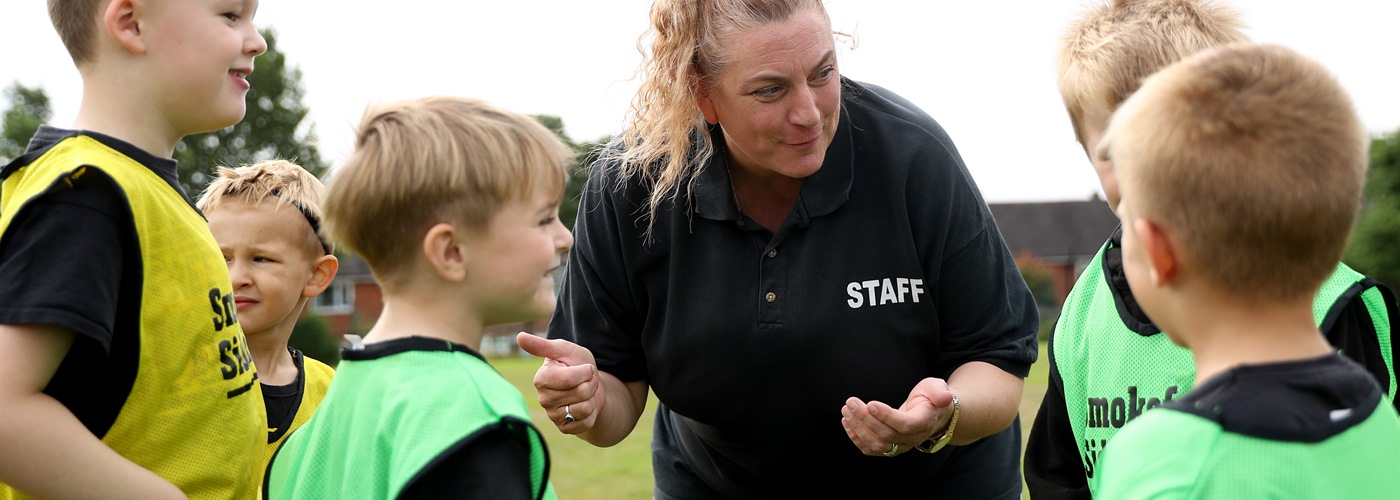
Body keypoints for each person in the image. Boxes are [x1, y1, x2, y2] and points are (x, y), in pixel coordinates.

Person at [515, 0, 1039, 496]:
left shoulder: (913, 157)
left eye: (823, 73)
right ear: (703, 95)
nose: (809, 113)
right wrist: (586, 402)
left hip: (933, 484)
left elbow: (997, 359)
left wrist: (944, 414)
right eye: (770, 90)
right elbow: (617, 391)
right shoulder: (631, 187)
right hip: (714, 485)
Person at [1023, 1, 1400, 498]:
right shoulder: (1079, 316)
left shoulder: (1341, 304)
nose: (1151, 175)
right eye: (1119, 150)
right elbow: (1058, 477)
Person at [0, 0, 268, 498]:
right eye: (232, 15)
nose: (257, 41)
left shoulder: (140, 192)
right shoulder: (89, 194)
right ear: (131, 24)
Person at [263, 96, 573, 499]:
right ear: (451, 252)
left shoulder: (315, 429)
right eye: (545, 218)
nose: (565, 238)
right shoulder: (469, 417)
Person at [196, 159, 340, 472]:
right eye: (221, 258)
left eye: (261, 258)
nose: (236, 277)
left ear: (316, 275)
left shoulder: (332, 395)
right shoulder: (171, 374)